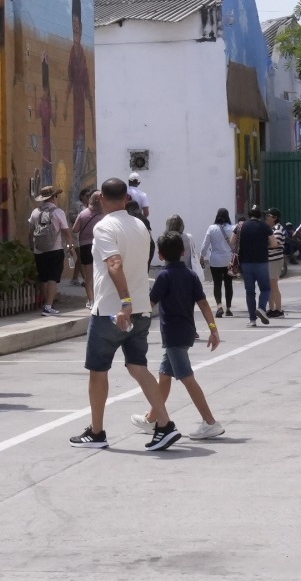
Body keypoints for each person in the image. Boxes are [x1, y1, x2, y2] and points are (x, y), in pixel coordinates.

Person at [74, 177, 166, 449]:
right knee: (138, 367)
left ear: (101, 198)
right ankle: (165, 424)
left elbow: (114, 264)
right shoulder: (139, 225)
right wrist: (132, 302)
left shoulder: (105, 226)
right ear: (127, 198)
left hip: (113, 311)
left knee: (97, 371)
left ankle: (97, 432)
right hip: (140, 308)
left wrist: (124, 302)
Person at [130, 230, 225, 446]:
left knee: (187, 378)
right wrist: (213, 329)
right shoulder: (190, 275)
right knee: (165, 376)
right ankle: (151, 419)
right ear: (183, 252)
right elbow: (203, 303)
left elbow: (150, 304)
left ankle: (210, 422)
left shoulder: (164, 276)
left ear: (160, 256)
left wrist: (131, 318)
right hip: (186, 332)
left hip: (173, 335)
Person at [27, 186, 71, 315]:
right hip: (55, 249)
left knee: (43, 278)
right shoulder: (58, 212)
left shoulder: (35, 212)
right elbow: (66, 232)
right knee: (53, 278)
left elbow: (30, 232)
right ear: (53, 197)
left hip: (39, 250)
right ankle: (48, 306)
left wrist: (32, 247)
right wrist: (70, 247)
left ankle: (46, 303)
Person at [232, 205, 275, 327]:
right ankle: (261, 308)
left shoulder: (241, 226)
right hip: (261, 261)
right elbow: (274, 243)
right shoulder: (265, 226)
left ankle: (252, 320)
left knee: (250, 292)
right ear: (260, 215)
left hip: (245, 263)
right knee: (266, 288)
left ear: (249, 214)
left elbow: (232, 241)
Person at [199, 206, 238, 316]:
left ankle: (219, 305)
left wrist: (202, 256)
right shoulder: (232, 228)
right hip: (229, 260)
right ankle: (229, 308)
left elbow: (205, 245)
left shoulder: (212, 228)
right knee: (228, 283)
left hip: (215, 260)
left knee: (217, 284)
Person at [264, 206, 289, 317]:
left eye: (268, 215)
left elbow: (275, 244)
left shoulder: (277, 229)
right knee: (270, 285)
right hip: (270, 260)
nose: (266, 217)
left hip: (275, 260)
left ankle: (278, 310)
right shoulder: (271, 228)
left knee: (273, 285)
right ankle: (272, 308)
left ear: (274, 217)